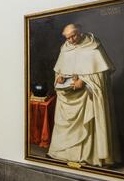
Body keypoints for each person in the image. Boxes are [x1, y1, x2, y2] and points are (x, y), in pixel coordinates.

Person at [48, 24, 119, 167]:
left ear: (80, 32)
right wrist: (60, 77)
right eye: (68, 38)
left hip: (88, 98)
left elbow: (101, 76)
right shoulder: (65, 47)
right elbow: (60, 70)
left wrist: (85, 81)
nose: (71, 41)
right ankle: (65, 154)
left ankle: (90, 156)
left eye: (73, 36)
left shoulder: (93, 46)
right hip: (69, 96)